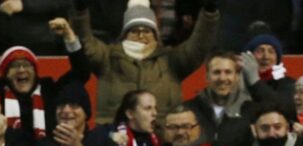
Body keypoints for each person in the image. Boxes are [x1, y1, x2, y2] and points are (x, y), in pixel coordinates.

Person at [69, 0, 221, 123]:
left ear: (156, 35)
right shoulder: (107, 57)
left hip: (161, 140)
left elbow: (199, 45)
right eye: (134, 31)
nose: (141, 35)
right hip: (115, 140)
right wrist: (80, 11)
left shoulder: (171, 60)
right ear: (124, 35)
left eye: (147, 31)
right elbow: (85, 43)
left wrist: (209, 13)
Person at [183, 51, 251, 146]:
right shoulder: (189, 109)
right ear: (206, 77)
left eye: (228, 72)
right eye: (216, 72)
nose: (222, 78)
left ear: (237, 77)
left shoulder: (251, 109)